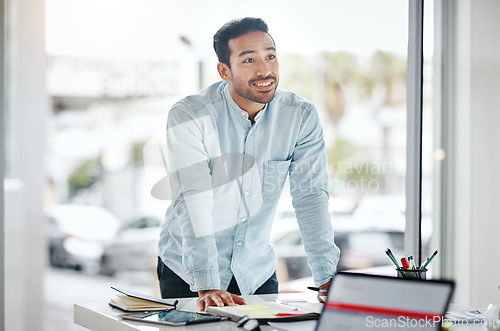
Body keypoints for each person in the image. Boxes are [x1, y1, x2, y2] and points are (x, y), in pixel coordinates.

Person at [157, 17, 340, 311]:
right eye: (249, 60)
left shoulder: (300, 116)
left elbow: (311, 198)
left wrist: (327, 277)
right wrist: (208, 284)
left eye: (270, 56)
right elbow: (194, 200)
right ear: (224, 71)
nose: (264, 69)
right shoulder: (190, 115)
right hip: (190, 274)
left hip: (256, 273)